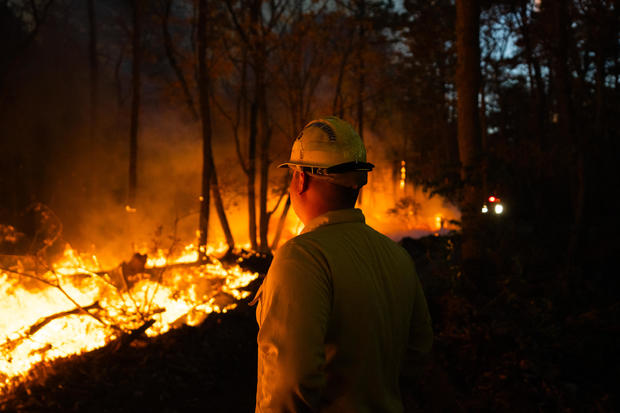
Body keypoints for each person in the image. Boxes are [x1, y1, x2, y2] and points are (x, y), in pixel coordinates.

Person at [253, 116, 433, 413]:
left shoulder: (302, 257)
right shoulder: (396, 255)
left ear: (300, 179)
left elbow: (289, 384)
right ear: (357, 183)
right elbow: (418, 354)